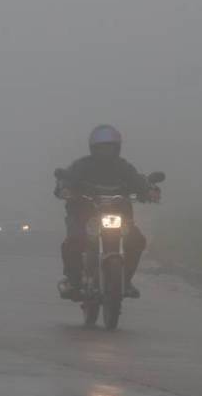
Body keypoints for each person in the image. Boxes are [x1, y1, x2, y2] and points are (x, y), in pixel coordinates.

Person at [56, 125, 159, 300]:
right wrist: (65, 188)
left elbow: (137, 181)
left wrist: (149, 190)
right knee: (73, 241)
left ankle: (125, 280)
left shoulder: (123, 167)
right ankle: (73, 281)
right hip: (85, 215)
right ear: (93, 148)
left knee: (136, 240)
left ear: (117, 148)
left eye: (110, 147)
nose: (106, 151)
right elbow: (67, 179)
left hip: (120, 216)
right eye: (102, 147)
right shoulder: (82, 165)